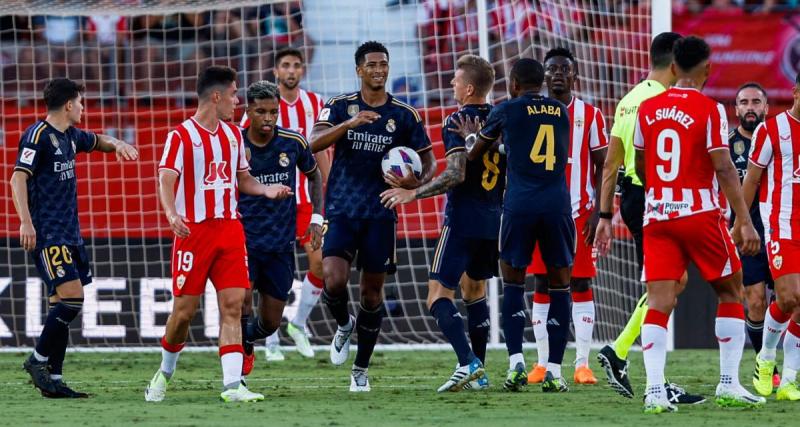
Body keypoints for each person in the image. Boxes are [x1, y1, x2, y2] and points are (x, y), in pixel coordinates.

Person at [633, 36, 765, 413]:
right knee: (731, 290)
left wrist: (660, 189)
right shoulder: (710, 109)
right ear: (708, 69)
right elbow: (723, 166)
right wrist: (743, 219)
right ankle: (728, 384)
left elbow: (641, 163)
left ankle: (655, 391)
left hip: (657, 215)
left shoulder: (647, 107)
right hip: (699, 214)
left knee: (659, 303)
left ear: (672, 68)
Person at [144, 66, 292, 403]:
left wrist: (266, 190)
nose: (237, 102)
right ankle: (164, 372)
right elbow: (166, 178)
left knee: (233, 304)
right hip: (194, 231)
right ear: (216, 96)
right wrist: (171, 213)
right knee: (184, 313)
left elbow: (243, 179)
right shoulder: (180, 136)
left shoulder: (233, 136)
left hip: (230, 229)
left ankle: (232, 386)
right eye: (234, 95)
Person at [310, 41, 435, 392]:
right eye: (372, 64)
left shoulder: (404, 115)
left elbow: (429, 162)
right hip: (342, 208)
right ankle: (343, 324)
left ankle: (361, 369)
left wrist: (416, 181)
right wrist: (349, 124)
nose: (379, 69)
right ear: (359, 70)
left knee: (372, 295)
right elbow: (313, 142)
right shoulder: (339, 106)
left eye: (384, 64)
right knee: (332, 280)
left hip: (380, 213)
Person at [594, 31, 704, 404]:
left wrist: (605, 215)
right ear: (676, 60)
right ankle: (623, 355)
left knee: (671, 283)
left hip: (631, 197)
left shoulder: (629, 99)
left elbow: (610, 164)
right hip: (657, 198)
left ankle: (625, 355)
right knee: (667, 287)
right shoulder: (666, 102)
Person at [380, 54, 500, 392]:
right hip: (494, 218)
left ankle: (467, 362)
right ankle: (480, 373)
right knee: (475, 291)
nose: (451, 84)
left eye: (456, 80)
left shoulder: (456, 121)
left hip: (462, 220)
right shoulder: (498, 120)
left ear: (470, 87)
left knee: (436, 296)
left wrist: (414, 192)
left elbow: (456, 173)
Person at [13, 77, 138, 398]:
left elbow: (99, 140)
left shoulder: (71, 136)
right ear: (69, 104)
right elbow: (17, 179)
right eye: (81, 102)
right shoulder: (37, 135)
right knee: (72, 299)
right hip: (48, 233)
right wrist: (26, 223)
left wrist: (119, 145)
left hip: (70, 233)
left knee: (60, 304)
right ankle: (38, 360)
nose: (84, 108)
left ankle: (54, 379)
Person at [468, 58, 573, 392]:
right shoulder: (561, 111)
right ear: (541, 83)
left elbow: (475, 153)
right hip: (557, 205)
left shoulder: (507, 109)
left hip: (520, 205)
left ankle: (516, 365)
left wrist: (474, 138)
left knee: (513, 281)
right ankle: (555, 371)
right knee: (560, 283)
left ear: (513, 83)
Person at [240, 47, 330, 361]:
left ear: (302, 71)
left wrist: (323, 207)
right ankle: (257, 349)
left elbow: (319, 159)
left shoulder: (315, 105)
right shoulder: (243, 129)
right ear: (276, 71)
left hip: (299, 200)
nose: (291, 71)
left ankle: (297, 324)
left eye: (296, 65)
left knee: (320, 265)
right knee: (243, 298)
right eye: (285, 66)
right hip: (252, 218)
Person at [526, 47, 607, 389]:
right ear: (543, 76)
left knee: (580, 283)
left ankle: (582, 364)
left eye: (564, 69)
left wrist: (601, 213)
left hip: (579, 213)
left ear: (575, 75)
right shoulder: (530, 113)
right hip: (540, 212)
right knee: (543, 283)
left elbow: (603, 164)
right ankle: (543, 363)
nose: (558, 73)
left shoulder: (590, 115)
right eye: (552, 69)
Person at [742, 72, 800, 402]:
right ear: (795, 92)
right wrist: (740, 222)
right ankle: (765, 359)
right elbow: (751, 179)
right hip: (782, 225)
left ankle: (789, 379)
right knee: (790, 297)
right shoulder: (771, 130)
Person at [726, 82, 780, 388]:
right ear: (736, 110)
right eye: (744, 102)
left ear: (766, 107)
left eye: (756, 102)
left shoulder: (778, 139)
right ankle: (765, 363)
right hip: (745, 234)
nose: (750, 107)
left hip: (780, 228)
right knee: (756, 301)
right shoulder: (725, 146)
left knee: (789, 300)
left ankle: (778, 355)